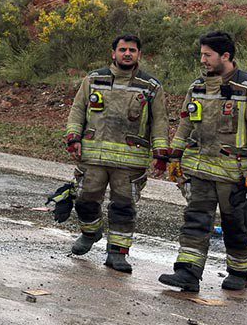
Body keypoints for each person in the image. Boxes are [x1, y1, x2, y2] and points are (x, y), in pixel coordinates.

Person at [159, 31, 247, 292]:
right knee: (195, 220)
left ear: (226, 56)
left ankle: (239, 272)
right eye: (201, 54)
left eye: (207, 55)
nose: (203, 60)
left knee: (236, 224)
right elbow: (185, 124)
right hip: (199, 169)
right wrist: (175, 156)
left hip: (233, 172)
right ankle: (187, 272)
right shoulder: (197, 87)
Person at [63, 34, 168, 273]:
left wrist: (161, 154)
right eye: (123, 50)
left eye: (132, 50)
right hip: (93, 156)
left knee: (123, 207)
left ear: (139, 55)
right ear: (114, 53)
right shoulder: (93, 79)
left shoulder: (151, 86)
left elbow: (160, 121)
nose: (127, 54)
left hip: (130, 160)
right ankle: (90, 232)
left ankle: (117, 253)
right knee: (84, 199)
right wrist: (73, 138)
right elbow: (77, 110)